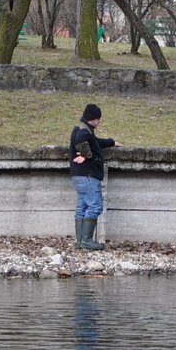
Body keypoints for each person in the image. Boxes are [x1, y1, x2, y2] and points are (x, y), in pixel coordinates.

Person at [69, 103, 117, 250]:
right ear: (93, 118)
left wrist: (112, 142)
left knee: (82, 206)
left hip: (78, 175)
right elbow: (81, 141)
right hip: (88, 175)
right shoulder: (83, 131)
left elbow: (94, 142)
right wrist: (86, 155)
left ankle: (80, 241)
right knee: (95, 206)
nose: (99, 121)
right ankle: (87, 240)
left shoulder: (81, 128)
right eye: (98, 118)